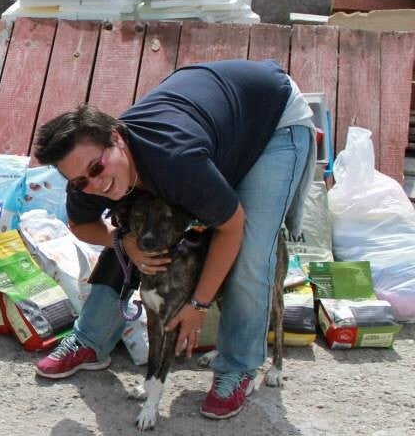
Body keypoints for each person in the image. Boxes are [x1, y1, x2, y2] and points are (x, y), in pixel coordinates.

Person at [31, 59, 315, 420]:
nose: (95, 183)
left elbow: (231, 227)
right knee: (134, 234)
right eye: (80, 181)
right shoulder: (89, 174)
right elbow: (82, 226)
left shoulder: (175, 161)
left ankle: (237, 366)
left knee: (252, 251)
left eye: (97, 169)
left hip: (271, 116)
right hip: (212, 116)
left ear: (116, 138)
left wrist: (198, 305)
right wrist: (124, 242)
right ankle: (90, 339)